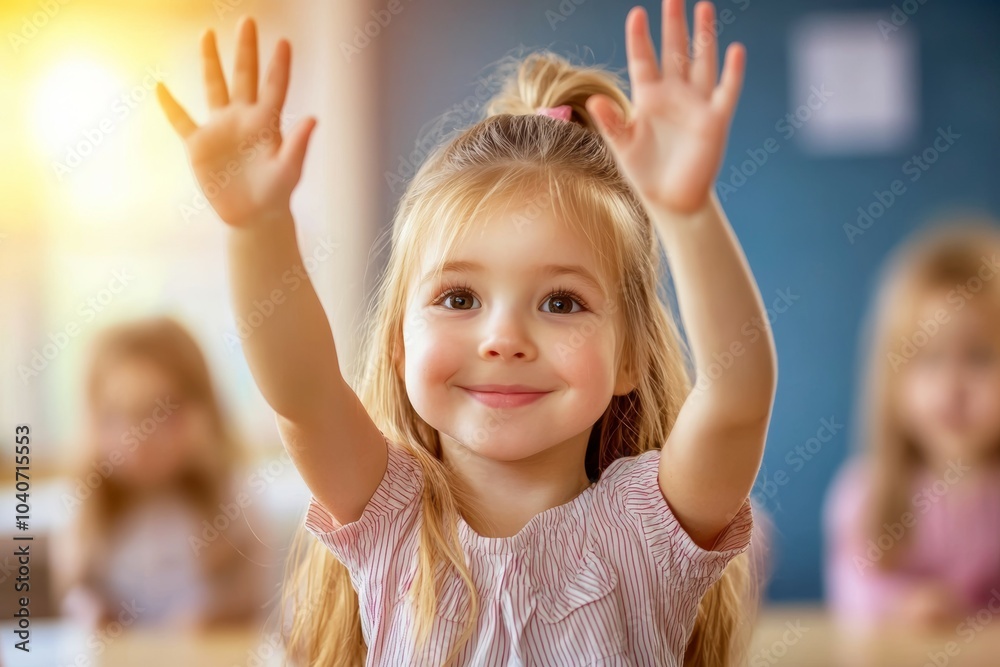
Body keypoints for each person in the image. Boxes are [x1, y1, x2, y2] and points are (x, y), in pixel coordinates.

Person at [155, 0, 776, 664]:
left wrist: (688, 214)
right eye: (459, 296)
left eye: (562, 302)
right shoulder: (390, 515)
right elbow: (301, 391)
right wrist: (258, 229)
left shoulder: (650, 528)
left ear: (629, 357)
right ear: (398, 343)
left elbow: (736, 399)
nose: (503, 338)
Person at [824, 220, 1000, 632]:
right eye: (929, 359)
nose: (952, 386)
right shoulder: (864, 494)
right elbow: (852, 592)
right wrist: (904, 606)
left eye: (979, 357)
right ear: (893, 380)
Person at [51, 316, 273, 633]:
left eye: (159, 411)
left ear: (204, 412)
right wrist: (91, 613)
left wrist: (213, 618)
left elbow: (251, 595)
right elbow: (77, 590)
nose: (137, 437)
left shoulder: (233, 498)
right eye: (115, 414)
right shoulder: (87, 504)